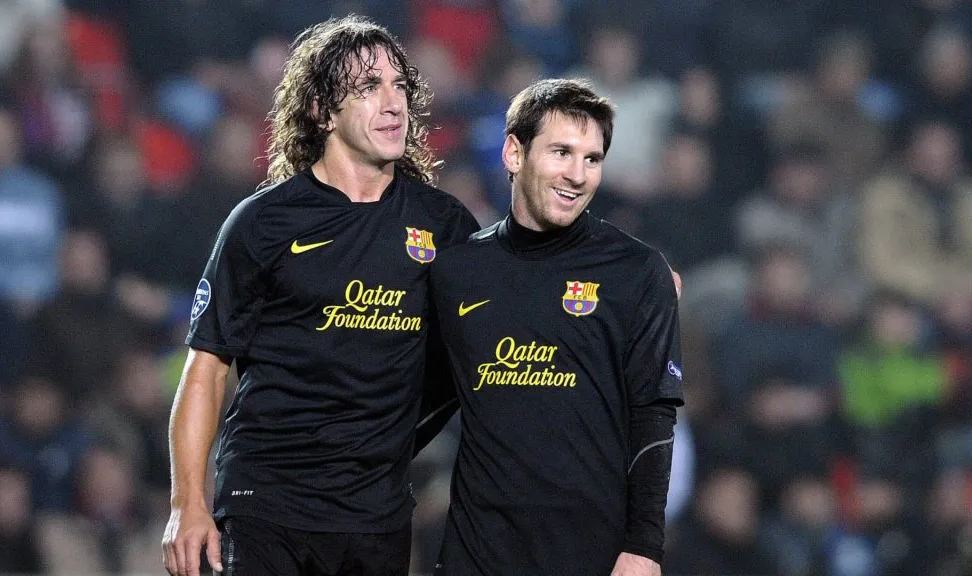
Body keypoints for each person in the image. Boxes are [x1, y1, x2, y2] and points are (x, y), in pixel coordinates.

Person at [161, 16, 479, 576]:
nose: (393, 103)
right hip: (267, 506)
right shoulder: (262, 224)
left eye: (400, 86)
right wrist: (188, 502)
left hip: (376, 517)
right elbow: (206, 369)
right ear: (321, 111)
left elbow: (505, 323)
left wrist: (633, 279)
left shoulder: (444, 225)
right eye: (368, 88)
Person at [428, 78, 684, 575]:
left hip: (592, 555)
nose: (577, 175)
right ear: (513, 153)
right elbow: (421, 400)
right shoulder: (457, 271)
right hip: (476, 553)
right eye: (562, 152)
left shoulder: (636, 272)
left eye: (592, 159)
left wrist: (645, 547)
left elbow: (654, 417)